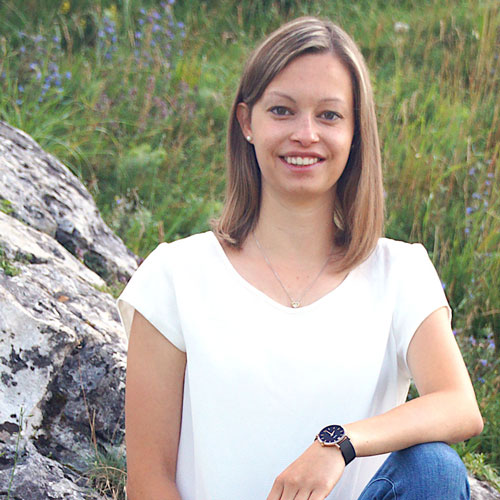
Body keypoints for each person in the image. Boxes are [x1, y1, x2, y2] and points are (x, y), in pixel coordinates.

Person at [116, 16, 483, 500]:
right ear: (247, 122)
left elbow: (459, 405)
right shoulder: (176, 275)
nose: (305, 134)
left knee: (434, 468)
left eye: (329, 115)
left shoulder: (400, 272)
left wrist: (337, 445)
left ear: (355, 132)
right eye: (283, 111)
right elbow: (149, 479)